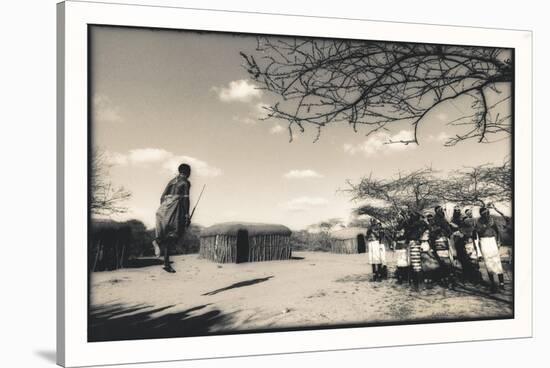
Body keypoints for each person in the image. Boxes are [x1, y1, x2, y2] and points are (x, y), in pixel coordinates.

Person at [153, 163, 191, 273]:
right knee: (174, 234)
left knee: (168, 235)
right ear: (188, 172)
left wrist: (166, 209)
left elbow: (161, 197)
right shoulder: (186, 182)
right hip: (175, 208)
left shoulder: (171, 181)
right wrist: (186, 215)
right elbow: (186, 200)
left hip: (163, 209)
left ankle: (159, 247)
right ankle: (159, 245)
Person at [475, 206, 505, 293]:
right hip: (484, 242)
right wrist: (486, 226)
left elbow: (497, 231)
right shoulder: (478, 222)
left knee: (497, 262)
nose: (486, 214)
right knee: (488, 263)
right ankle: (493, 284)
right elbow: (479, 232)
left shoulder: (492, 220)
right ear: (481, 213)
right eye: (484, 213)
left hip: (492, 241)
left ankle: (502, 283)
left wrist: (499, 241)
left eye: (487, 212)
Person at [429, 205, 455, 289]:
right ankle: (446, 279)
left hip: (446, 241)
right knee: (443, 260)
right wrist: (438, 229)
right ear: (436, 211)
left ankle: (449, 279)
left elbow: (449, 229)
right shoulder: (434, 220)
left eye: (441, 210)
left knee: (449, 260)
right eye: (439, 210)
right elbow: (432, 230)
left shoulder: (444, 220)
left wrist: (449, 230)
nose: (441, 211)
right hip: (439, 241)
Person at [405, 212, 429, 291]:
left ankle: (419, 285)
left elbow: (407, 233)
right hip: (417, 243)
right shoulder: (422, 224)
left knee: (416, 265)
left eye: (411, 216)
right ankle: (419, 285)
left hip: (414, 243)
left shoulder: (414, 225)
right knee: (416, 264)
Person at [461, 208, 482, 284]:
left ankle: (477, 278)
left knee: (475, 259)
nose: (470, 213)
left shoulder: (474, 220)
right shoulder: (466, 221)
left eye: (471, 212)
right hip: (468, 241)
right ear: (466, 214)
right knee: (471, 259)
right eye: (468, 212)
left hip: (474, 240)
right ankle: (472, 278)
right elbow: (464, 231)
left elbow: (477, 230)